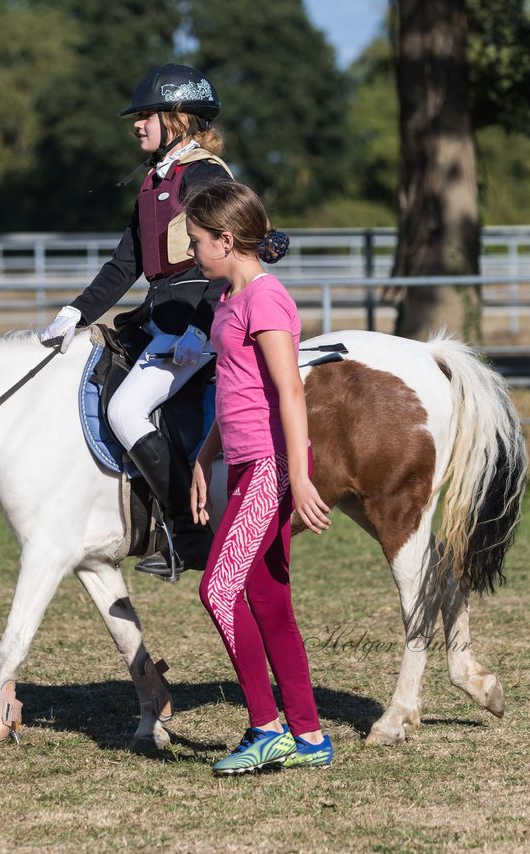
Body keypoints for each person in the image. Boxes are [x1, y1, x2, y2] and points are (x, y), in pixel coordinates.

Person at [39, 63, 231, 577]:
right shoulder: (154, 182)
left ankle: (188, 539)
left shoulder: (205, 175)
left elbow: (229, 254)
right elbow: (125, 264)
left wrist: (200, 329)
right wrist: (75, 312)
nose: (136, 124)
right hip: (163, 316)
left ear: (178, 118)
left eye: (145, 115)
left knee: (127, 412)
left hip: (201, 318)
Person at [183, 181, 335, 774]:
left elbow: (289, 390)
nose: (192, 252)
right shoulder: (228, 298)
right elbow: (236, 388)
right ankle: (311, 737)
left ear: (226, 240)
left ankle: (265, 727)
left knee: (219, 590)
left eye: (197, 241)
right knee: (269, 601)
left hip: (272, 467)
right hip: (246, 459)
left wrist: (297, 476)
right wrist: (204, 451)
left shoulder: (265, 301)